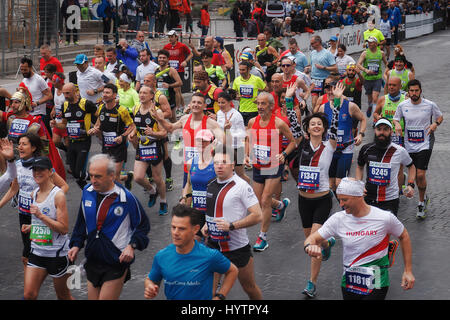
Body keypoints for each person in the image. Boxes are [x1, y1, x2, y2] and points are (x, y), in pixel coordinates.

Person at [304, 177, 415, 300]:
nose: (341, 204)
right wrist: (309, 246)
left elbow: (404, 235)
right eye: (339, 199)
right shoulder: (338, 219)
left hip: (377, 279)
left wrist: (408, 270)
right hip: (349, 281)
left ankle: (384, 249)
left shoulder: (384, 218)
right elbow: (312, 238)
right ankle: (385, 249)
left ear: (358, 196)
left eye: (344, 199)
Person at [68, 154, 150, 300]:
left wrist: (132, 246)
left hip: (115, 260)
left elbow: (143, 226)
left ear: (112, 176)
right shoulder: (87, 192)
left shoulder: (126, 198)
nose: (93, 180)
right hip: (93, 258)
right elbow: (81, 222)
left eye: (98, 176)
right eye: (91, 175)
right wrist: (76, 244)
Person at [0, 133, 68, 285]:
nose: (20, 147)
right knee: (27, 253)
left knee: (39, 250)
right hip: (24, 214)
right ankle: (30, 287)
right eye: (19, 144)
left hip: (39, 216)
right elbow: (13, 189)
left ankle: (56, 268)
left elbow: (64, 186)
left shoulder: (43, 167)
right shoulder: (17, 165)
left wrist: (49, 202)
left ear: (34, 147)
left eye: (24, 144)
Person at [296, 84, 344, 297]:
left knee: (313, 243)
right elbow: (292, 121)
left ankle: (311, 282)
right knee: (312, 243)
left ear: (323, 129)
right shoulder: (302, 144)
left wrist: (336, 103)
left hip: (322, 199)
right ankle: (328, 241)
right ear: (307, 129)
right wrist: (290, 100)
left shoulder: (330, 145)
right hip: (302, 200)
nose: (316, 126)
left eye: (319, 124)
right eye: (312, 124)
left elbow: (335, 122)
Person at [203, 145, 263, 299]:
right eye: (216, 163)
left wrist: (231, 226)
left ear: (232, 164)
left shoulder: (241, 186)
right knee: (210, 290)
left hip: (236, 248)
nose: (219, 166)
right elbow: (211, 211)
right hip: (213, 245)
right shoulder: (210, 184)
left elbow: (257, 215)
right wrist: (206, 225)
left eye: (224, 162)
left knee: (249, 287)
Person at [145, 204, 238, 300]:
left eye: (181, 228)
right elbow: (150, 280)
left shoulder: (209, 255)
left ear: (195, 229)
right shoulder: (162, 256)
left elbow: (232, 271)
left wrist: (220, 296)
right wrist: (150, 287)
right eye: (173, 227)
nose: (175, 233)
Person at [246, 92, 296, 252]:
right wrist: (245, 156)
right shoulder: (252, 122)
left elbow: (293, 142)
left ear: (271, 105)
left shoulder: (279, 124)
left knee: (266, 199)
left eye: (263, 104)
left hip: (274, 166)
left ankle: (262, 237)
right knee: (259, 200)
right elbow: (248, 139)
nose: (260, 107)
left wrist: (284, 154)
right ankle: (281, 205)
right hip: (258, 165)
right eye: (258, 104)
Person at [22, 156, 73, 300]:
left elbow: (63, 228)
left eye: (41, 170)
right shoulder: (34, 194)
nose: (37, 173)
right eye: (35, 170)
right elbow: (43, 224)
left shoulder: (58, 195)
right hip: (37, 251)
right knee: (29, 295)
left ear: (50, 171)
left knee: (63, 296)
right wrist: (32, 227)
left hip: (57, 254)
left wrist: (40, 216)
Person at [393, 79, 443, 219]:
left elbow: (440, 117)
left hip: (425, 143)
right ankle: (423, 195)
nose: (414, 93)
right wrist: (397, 124)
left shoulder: (429, 105)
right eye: (412, 91)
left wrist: (435, 125)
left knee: (420, 174)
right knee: (413, 172)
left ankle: (421, 203)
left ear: (420, 91)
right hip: (409, 144)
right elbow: (396, 118)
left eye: (416, 90)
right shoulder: (403, 105)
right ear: (408, 92)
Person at [152, 93, 224, 189]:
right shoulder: (184, 119)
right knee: (187, 196)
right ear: (190, 104)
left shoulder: (211, 123)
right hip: (189, 167)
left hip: (206, 169)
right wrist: (160, 119)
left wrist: (215, 145)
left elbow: (223, 141)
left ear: (204, 106)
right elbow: (171, 128)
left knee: (206, 197)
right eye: (193, 102)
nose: (196, 104)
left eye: (199, 103)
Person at [356, 118, 416, 218]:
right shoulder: (366, 149)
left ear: (391, 132)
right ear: (375, 131)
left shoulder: (399, 151)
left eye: (385, 129)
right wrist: (358, 184)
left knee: (386, 232)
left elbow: (411, 166)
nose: (382, 132)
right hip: (369, 197)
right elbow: (359, 167)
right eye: (379, 129)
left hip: (390, 199)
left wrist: (410, 185)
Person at [316, 81, 366, 194]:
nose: (330, 92)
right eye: (327, 89)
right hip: (330, 149)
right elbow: (319, 125)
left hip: (345, 148)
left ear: (340, 90)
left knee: (340, 182)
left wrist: (361, 134)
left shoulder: (350, 106)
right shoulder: (323, 108)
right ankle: (343, 206)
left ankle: (348, 205)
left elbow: (363, 118)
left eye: (333, 89)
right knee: (331, 184)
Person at [129, 85, 168, 215]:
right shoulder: (135, 109)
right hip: (142, 147)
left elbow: (164, 133)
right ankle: (152, 191)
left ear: (152, 96)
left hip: (155, 147)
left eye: (145, 93)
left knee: (157, 178)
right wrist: (133, 132)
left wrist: (152, 133)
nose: (141, 95)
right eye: (140, 92)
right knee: (138, 177)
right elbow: (136, 124)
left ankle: (163, 202)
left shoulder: (157, 112)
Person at [88, 83, 135, 182]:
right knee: (109, 175)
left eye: (108, 93)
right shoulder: (101, 108)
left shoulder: (121, 110)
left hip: (119, 147)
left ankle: (120, 197)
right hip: (106, 146)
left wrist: (123, 136)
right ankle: (127, 178)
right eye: (104, 92)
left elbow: (132, 126)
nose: (104, 95)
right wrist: (94, 129)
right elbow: (98, 124)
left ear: (114, 95)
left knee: (114, 175)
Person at [55, 83, 97, 189]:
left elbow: (100, 115)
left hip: (84, 142)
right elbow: (63, 124)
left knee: (78, 172)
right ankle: (89, 190)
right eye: (64, 93)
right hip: (71, 142)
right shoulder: (64, 106)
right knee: (74, 174)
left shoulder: (85, 104)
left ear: (75, 92)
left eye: (68, 93)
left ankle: (94, 184)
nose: (66, 96)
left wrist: (96, 127)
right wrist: (55, 125)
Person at [181, 129, 215, 226]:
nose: (202, 143)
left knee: (211, 240)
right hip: (196, 210)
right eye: (199, 140)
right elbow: (188, 183)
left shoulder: (217, 163)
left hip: (213, 211)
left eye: (205, 141)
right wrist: (184, 198)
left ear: (211, 143)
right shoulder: (191, 162)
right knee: (195, 237)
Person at [216, 90, 250, 184]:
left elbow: (243, 134)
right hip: (222, 147)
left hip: (237, 148)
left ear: (229, 102)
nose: (220, 105)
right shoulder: (219, 113)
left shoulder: (236, 115)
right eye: (219, 102)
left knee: (240, 174)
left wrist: (229, 131)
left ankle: (249, 191)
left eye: (223, 102)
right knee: (223, 174)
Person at [163, 30, 193, 117]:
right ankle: (183, 107)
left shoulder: (182, 46)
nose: (170, 38)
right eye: (169, 37)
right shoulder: (166, 47)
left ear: (176, 37)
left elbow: (191, 54)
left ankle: (177, 109)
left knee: (176, 90)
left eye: (172, 37)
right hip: (170, 71)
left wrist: (185, 61)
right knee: (178, 91)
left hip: (179, 71)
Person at [356, 36, 388, 118]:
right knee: (370, 99)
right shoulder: (365, 53)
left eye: (371, 42)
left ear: (376, 43)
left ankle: (375, 118)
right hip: (367, 79)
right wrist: (366, 70)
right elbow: (358, 64)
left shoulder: (381, 53)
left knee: (375, 98)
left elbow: (387, 64)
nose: (369, 43)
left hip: (377, 78)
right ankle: (370, 106)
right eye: (368, 42)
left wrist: (386, 73)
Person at [20, 57, 53, 129]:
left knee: (43, 137)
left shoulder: (39, 79)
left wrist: (36, 103)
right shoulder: (24, 80)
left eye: (25, 70)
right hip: (28, 114)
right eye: (21, 70)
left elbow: (49, 96)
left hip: (39, 114)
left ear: (30, 68)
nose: (23, 72)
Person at [373, 76, 406, 147]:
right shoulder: (382, 99)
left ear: (400, 86)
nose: (391, 87)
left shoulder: (406, 100)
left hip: (401, 135)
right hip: (385, 134)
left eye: (394, 85)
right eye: (389, 85)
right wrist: (378, 117)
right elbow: (375, 113)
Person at [308, 35, 338, 111]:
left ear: (318, 42)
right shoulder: (312, 53)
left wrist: (324, 67)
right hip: (314, 80)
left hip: (325, 80)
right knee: (314, 101)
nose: (311, 45)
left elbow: (335, 68)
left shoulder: (327, 53)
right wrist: (308, 69)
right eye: (311, 43)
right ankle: (315, 116)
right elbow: (312, 65)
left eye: (312, 43)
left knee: (324, 101)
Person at [232, 61, 267, 126]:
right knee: (243, 131)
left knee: (251, 131)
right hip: (241, 109)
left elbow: (267, 90)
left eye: (243, 70)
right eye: (240, 70)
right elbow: (234, 93)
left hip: (253, 110)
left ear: (249, 69)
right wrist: (236, 96)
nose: (241, 72)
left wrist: (259, 98)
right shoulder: (237, 80)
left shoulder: (256, 79)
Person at [155, 49, 183, 122]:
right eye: (160, 57)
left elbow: (180, 82)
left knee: (172, 118)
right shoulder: (156, 70)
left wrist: (169, 85)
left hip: (169, 97)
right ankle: (164, 132)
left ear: (168, 59)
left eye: (164, 58)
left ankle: (176, 132)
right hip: (160, 97)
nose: (161, 59)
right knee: (159, 117)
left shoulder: (171, 70)